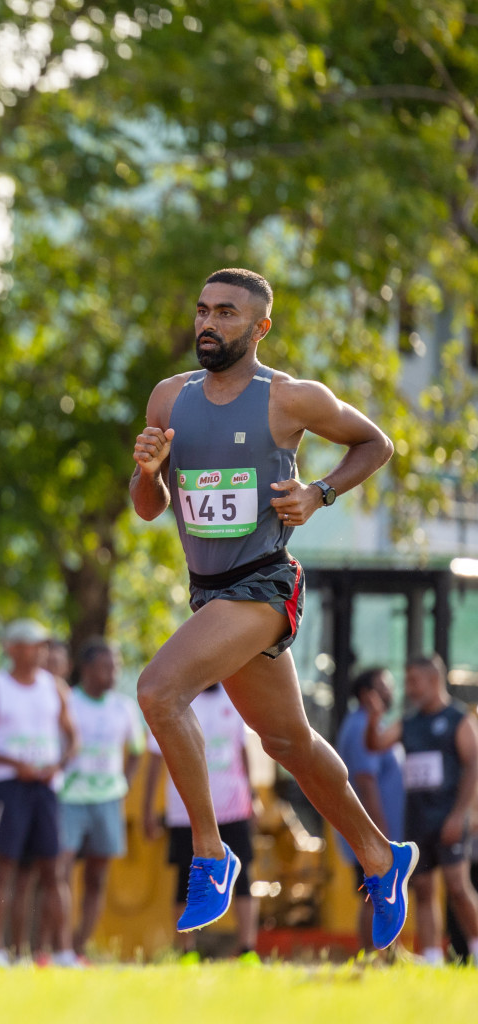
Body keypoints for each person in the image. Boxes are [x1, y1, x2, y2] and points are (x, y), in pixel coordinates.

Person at [130, 267, 412, 948]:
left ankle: (209, 852)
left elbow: (376, 443)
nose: (208, 323)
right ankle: (382, 856)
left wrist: (321, 492)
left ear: (260, 327)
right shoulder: (170, 398)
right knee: (288, 742)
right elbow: (147, 510)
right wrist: (144, 472)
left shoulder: (288, 399)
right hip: (208, 590)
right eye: (202, 310)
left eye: (226, 313)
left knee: (159, 692)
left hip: (263, 583)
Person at [0, 618, 78, 966]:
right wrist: (12, 762)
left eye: (43, 644)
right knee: (5, 867)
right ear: (12, 648)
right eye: (32, 644)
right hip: (10, 788)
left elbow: (72, 736)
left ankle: (62, 951)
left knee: (52, 871)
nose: (41, 651)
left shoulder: (55, 687)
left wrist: (59, 764)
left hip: (46, 788)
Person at [364, 655, 478, 964]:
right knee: (425, 889)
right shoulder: (409, 722)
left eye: (415, 681)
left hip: (450, 818)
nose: (410, 689)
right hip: (418, 820)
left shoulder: (458, 719)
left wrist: (460, 815)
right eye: (408, 682)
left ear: (434, 680)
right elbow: (376, 744)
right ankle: (431, 958)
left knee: (457, 887)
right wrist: (374, 718)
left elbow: (474, 767)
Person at [141, 684, 260, 960]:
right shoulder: (172, 698)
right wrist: (148, 808)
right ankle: (187, 952)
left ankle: (247, 949)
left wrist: (251, 796)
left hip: (233, 806)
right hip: (186, 809)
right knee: (187, 878)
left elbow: (242, 749)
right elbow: (156, 759)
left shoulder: (235, 696)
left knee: (243, 875)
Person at [54, 639, 144, 965]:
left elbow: (136, 750)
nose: (113, 673)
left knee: (97, 877)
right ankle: (56, 946)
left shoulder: (124, 708)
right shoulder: (68, 702)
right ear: (87, 669)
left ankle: (78, 948)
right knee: (59, 872)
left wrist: (125, 784)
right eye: (106, 667)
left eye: (116, 667)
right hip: (69, 798)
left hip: (108, 800)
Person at [334, 667, 404, 953]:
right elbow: (366, 780)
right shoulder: (362, 725)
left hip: (374, 830)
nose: (391, 691)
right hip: (373, 832)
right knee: (376, 895)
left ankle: (386, 953)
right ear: (366, 694)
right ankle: (375, 955)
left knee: (382, 892)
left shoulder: (369, 723)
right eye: (384, 686)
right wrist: (381, 832)